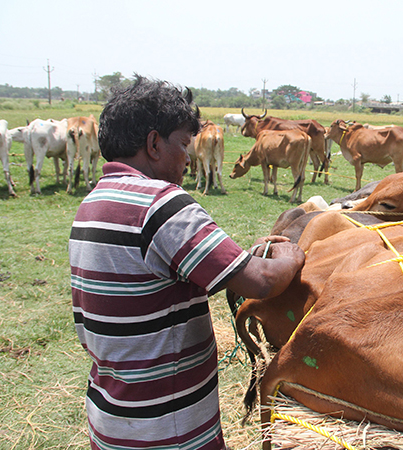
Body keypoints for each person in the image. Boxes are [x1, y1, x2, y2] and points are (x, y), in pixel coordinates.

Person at [69, 75, 305, 450]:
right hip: (170, 429)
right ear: (153, 143)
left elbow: (152, 283)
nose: (187, 157)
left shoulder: (92, 204)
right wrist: (291, 256)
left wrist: (237, 257)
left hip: (113, 418)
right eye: (183, 144)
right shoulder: (161, 203)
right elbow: (261, 282)